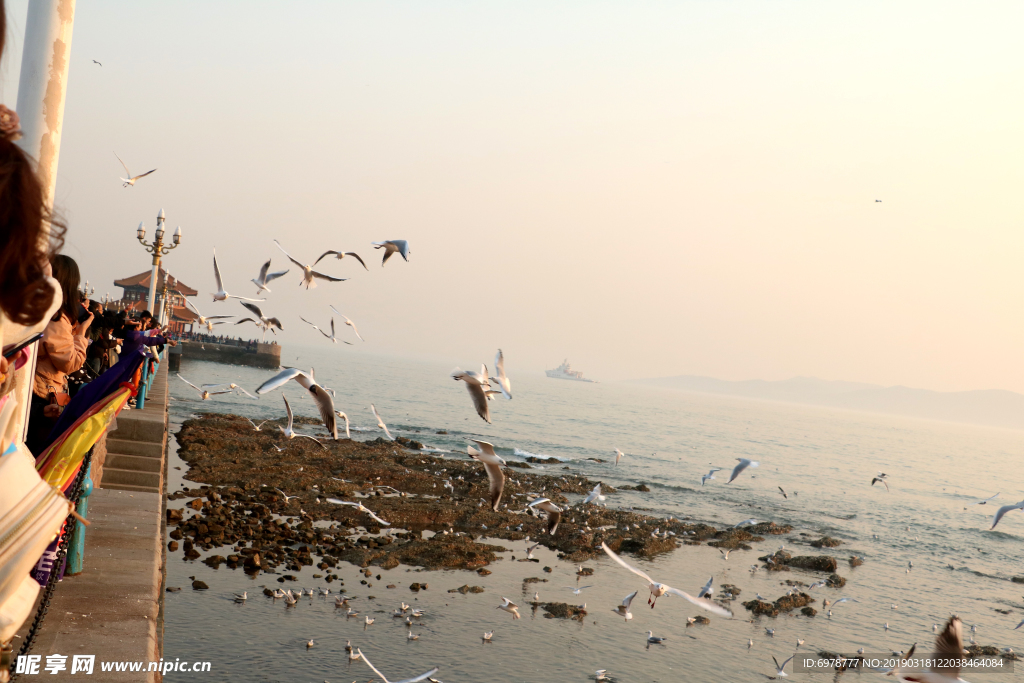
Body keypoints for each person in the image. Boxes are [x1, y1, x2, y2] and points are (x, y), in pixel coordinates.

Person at [26, 255, 91, 454]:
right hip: (44, 393)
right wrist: (81, 333)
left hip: (35, 388)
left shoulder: (36, 309)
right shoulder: (56, 318)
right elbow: (70, 362)